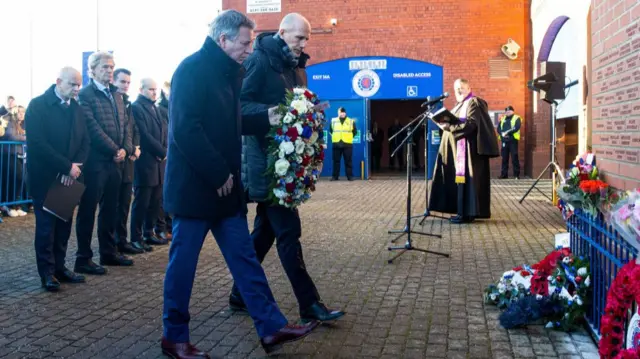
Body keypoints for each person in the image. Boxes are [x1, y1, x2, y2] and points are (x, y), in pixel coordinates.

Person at [161, 10, 318, 359]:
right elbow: (186, 130)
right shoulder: (191, 70)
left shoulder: (233, 72)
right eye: (245, 43)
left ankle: (271, 326)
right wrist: (219, 174)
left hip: (226, 189)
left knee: (246, 260)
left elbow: (235, 122)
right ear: (224, 40)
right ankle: (174, 337)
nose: (250, 49)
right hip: (195, 190)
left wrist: (271, 116)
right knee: (183, 267)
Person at [235, 12, 345, 324]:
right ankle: (309, 303)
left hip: (286, 165)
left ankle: (238, 294)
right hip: (267, 166)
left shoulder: (297, 68)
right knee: (288, 232)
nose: (303, 43)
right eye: (299, 37)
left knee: (264, 234)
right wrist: (278, 113)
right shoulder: (258, 61)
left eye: (307, 38)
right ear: (282, 32)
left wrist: (310, 114)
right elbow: (239, 106)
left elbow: (299, 107)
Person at [25, 67, 89, 291]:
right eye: (72, 84)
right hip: (45, 178)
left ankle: (60, 267)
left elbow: (85, 141)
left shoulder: (77, 109)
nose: (76, 89)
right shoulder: (38, 106)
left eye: (79, 85)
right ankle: (47, 273)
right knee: (46, 228)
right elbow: (38, 144)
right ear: (59, 81)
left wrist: (75, 167)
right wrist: (66, 166)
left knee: (63, 225)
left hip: (69, 178)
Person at [75, 51, 135, 275]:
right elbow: (92, 127)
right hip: (96, 162)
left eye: (111, 67)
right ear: (92, 70)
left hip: (116, 162)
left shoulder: (117, 95)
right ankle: (83, 258)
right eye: (105, 67)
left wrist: (125, 149)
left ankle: (108, 253)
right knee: (88, 210)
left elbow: (125, 126)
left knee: (111, 209)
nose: (109, 70)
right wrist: (114, 149)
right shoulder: (86, 95)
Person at [428, 78, 499, 224]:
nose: (459, 91)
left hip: (469, 152)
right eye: (456, 89)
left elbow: (472, 125)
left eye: (461, 87)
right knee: (460, 182)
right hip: (458, 151)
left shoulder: (474, 102)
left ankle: (468, 213)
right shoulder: (458, 106)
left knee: (469, 182)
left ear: (469, 87)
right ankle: (461, 211)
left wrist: (449, 127)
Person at [130, 78, 169, 250]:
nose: (154, 92)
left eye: (155, 89)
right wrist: (162, 151)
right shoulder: (137, 108)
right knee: (142, 202)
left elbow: (165, 130)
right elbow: (144, 135)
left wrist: (165, 150)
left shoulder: (156, 108)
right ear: (141, 90)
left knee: (155, 201)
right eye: (151, 89)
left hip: (159, 163)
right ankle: (136, 237)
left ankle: (149, 232)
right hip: (146, 162)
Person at [112, 68, 145, 255]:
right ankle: (113, 244)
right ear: (114, 81)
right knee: (113, 206)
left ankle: (122, 240)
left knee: (124, 204)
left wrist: (136, 147)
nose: (125, 85)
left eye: (127, 82)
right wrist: (130, 149)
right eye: (122, 82)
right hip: (117, 159)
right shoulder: (113, 103)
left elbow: (134, 130)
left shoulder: (128, 104)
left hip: (129, 160)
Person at [329, 107, 357, 181]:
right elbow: (331, 131)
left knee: (348, 161)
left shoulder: (351, 121)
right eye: (341, 112)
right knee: (336, 161)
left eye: (343, 112)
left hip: (347, 144)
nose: (342, 113)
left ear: (345, 113)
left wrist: (348, 138)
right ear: (338, 113)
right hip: (336, 143)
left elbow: (355, 132)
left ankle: (350, 176)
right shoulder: (333, 121)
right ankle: (335, 176)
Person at [498, 105, 521, 179]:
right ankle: (504, 175)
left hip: (513, 140)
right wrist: (502, 134)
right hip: (504, 141)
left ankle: (516, 175)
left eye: (509, 111)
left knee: (514, 157)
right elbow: (498, 128)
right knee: (504, 158)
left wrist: (507, 133)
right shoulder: (503, 118)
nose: (507, 112)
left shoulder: (517, 118)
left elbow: (516, 128)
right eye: (506, 111)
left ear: (513, 111)